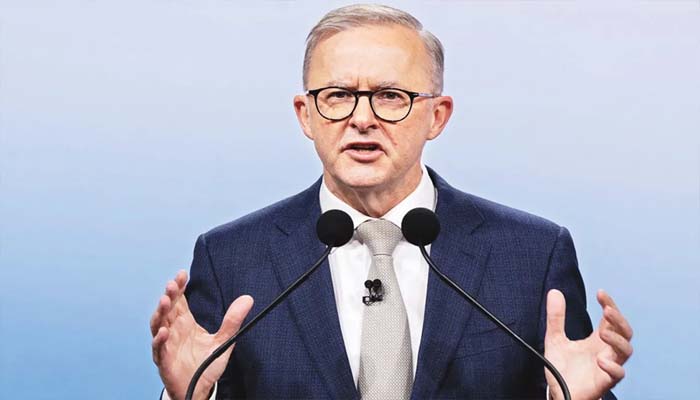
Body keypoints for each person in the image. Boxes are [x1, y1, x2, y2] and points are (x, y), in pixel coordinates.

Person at [150, 4, 633, 400]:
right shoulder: (232, 257)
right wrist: (188, 396)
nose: (362, 118)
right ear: (305, 115)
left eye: (390, 96)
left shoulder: (531, 254)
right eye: (338, 95)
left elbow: (571, 384)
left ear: (437, 116)